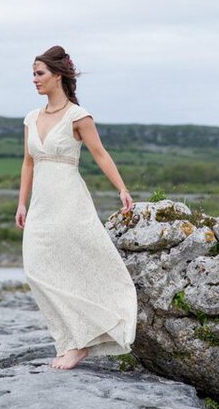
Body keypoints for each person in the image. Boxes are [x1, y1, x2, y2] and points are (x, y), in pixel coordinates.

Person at [15, 45, 138, 370]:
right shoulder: (32, 118)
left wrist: (122, 188)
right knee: (36, 267)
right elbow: (28, 164)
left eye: (39, 73)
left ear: (58, 76)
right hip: (41, 203)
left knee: (71, 264)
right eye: (33, 73)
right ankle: (71, 339)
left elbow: (100, 154)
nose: (34, 79)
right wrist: (21, 203)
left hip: (69, 199)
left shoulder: (78, 117)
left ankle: (78, 344)